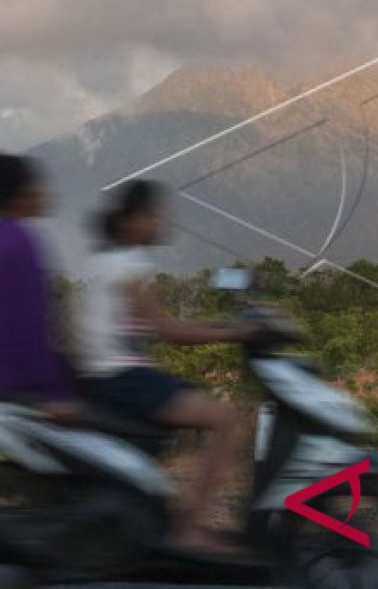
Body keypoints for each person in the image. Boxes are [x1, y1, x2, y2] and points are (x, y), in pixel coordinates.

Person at [74, 180, 258, 553]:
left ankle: (161, 514)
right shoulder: (128, 266)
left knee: (183, 392)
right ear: (129, 221)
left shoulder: (103, 261)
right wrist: (235, 332)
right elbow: (170, 330)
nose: (160, 221)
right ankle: (188, 529)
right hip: (121, 379)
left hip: (104, 375)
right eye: (152, 215)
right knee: (224, 420)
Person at [0, 153, 76, 416]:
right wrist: (55, 392)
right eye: (37, 188)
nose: (43, 195)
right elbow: (31, 325)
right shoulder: (20, 241)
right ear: (21, 195)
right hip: (13, 377)